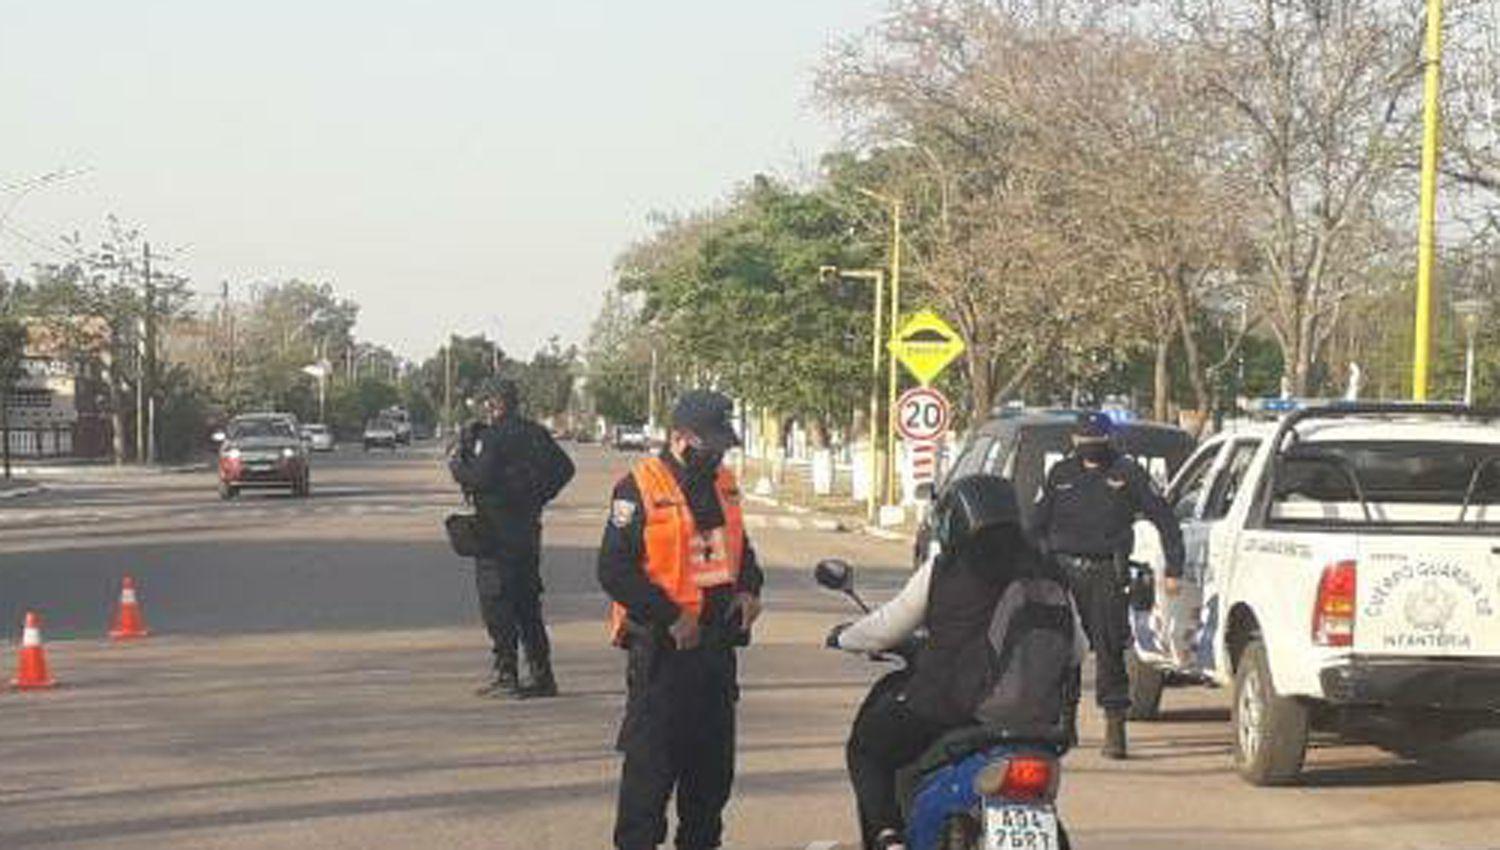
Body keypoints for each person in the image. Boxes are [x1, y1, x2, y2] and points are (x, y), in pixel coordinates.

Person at [830, 474, 1082, 850]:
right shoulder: (1048, 570)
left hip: (950, 710)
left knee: (867, 748)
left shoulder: (947, 567)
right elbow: (1078, 648)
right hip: (1038, 724)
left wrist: (844, 637)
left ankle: (888, 836)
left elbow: (887, 627)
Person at [598, 390, 764, 850]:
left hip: (715, 656)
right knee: (647, 788)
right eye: (709, 444)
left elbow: (742, 550)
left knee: (709, 786)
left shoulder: (722, 483)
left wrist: (750, 589)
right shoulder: (639, 487)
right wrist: (672, 617)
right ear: (679, 438)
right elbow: (613, 570)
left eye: (722, 445)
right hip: (662, 656)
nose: (717, 453)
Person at [1028, 411, 1185, 759]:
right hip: (1063, 573)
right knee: (1063, 650)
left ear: (1108, 439)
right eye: (1085, 441)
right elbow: (1036, 524)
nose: (1090, 447)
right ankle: (1064, 724)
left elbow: (1164, 519)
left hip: (1105, 574)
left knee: (1110, 651)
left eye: (1097, 441)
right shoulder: (1060, 474)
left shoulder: (1127, 472)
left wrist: (1174, 567)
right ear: (1074, 441)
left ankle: (1115, 729)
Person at [448, 377, 575, 699]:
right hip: (527, 530)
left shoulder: (495, 438)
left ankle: (507, 673)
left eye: (486, 403)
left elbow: (479, 478)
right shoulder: (535, 433)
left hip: (496, 532)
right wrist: (538, 496)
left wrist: (457, 464)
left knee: (497, 603)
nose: (484, 409)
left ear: (495, 403)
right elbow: (565, 468)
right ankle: (542, 674)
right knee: (528, 603)